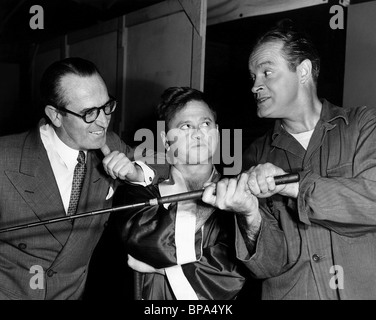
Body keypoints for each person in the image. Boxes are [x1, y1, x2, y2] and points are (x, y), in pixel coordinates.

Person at [203, 19, 376, 300]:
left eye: (267, 72)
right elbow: (267, 266)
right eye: (253, 77)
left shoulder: (363, 127)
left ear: (303, 71)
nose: (255, 86)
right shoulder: (254, 157)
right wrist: (250, 216)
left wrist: (292, 185)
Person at [0, 57, 165, 300]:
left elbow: (165, 162)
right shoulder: (6, 157)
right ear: (55, 115)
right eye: (89, 113)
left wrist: (136, 172)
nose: (103, 121)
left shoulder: (109, 144)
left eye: (107, 106)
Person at [112, 87, 251, 300]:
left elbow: (232, 274)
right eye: (185, 126)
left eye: (206, 124)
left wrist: (162, 269)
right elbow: (141, 242)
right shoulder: (139, 189)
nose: (198, 133)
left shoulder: (235, 195)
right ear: (166, 139)